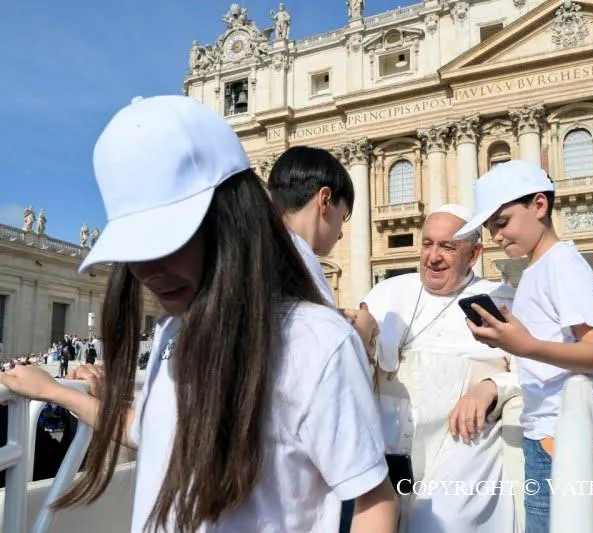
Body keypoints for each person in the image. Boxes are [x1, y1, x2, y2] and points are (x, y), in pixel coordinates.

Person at [0, 95, 396, 532]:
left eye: (168, 240)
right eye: (134, 248)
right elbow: (153, 435)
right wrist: (59, 394)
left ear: (232, 219)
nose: (147, 270)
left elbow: (372, 501)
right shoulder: (174, 329)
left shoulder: (315, 341)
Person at [363, 203, 593, 533]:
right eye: (427, 243)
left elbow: (535, 367)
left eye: (447, 246)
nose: (433, 256)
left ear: (473, 254)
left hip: (461, 444)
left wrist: (492, 386)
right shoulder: (387, 292)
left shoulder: (502, 298)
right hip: (387, 441)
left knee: (441, 523)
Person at [453, 160, 593, 532]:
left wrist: (524, 345)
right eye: (490, 228)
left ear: (539, 206)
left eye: (502, 223)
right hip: (555, 429)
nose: (496, 237)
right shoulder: (550, 264)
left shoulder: (560, 264)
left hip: (562, 434)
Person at [266, 145, 379, 361]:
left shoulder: (265, 253)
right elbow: (311, 358)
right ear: (325, 200)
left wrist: (334, 317)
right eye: (343, 216)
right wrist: (358, 335)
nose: (340, 234)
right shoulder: (297, 265)